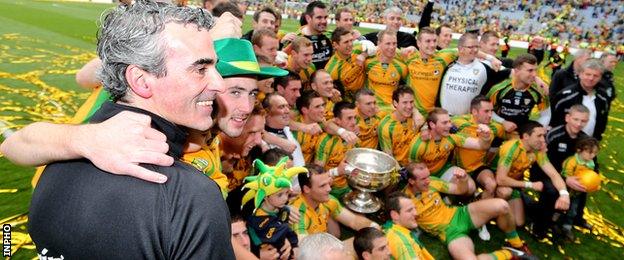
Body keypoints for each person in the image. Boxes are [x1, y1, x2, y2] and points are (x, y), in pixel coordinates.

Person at [27, 2, 234, 258]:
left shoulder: (56, 159)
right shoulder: (191, 196)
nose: (220, 84)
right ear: (140, 80)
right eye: (201, 69)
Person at [403, 162, 536, 260]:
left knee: (502, 205)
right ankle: (509, 254)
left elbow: (460, 190)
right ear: (411, 181)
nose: (428, 181)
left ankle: (516, 245)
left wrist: (464, 179)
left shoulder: (433, 182)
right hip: (450, 233)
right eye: (423, 179)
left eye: (428, 176)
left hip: (460, 214)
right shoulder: (404, 200)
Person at [494, 121, 570, 227]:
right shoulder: (512, 148)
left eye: (543, 135)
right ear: (525, 136)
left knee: (519, 222)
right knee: (505, 192)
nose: (543, 140)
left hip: (512, 184)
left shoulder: (537, 151)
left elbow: (554, 174)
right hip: (495, 181)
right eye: (539, 136)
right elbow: (500, 179)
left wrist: (564, 194)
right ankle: (487, 206)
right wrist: (530, 185)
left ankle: (500, 205)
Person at [530, 105, 590, 238]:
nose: (579, 124)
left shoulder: (585, 140)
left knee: (582, 188)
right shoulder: (554, 134)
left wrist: (588, 178)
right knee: (552, 190)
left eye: (583, 121)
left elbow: (592, 164)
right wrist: (566, 178)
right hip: (543, 172)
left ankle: (564, 221)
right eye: (576, 119)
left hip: (568, 176)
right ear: (567, 118)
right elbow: (545, 162)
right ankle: (539, 226)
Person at [408, 107, 493, 196]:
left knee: (470, 187)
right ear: (432, 125)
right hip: (424, 176)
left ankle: (449, 200)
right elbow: (412, 172)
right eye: (444, 123)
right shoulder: (418, 145)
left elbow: (481, 146)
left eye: (449, 121)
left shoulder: (451, 137)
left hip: (443, 169)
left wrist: (485, 137)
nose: (449, 126)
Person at [289, 164, 379, 238]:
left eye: (328, 183)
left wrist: (374, 226)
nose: (329, 189)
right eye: (322, 186)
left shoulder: (328, 199)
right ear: (306, 189)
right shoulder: (297, 213)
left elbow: (353, 221)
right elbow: (304, 250)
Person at [242, 158, 307, 258]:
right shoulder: (255, 220)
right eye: (280, 195)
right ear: (266, 197)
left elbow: (288, 231)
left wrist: (294, 245)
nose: (285, 198)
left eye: (287, 193)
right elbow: (256, 244)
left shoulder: (283, 210)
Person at [439, 33, 511, 116]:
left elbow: (512, 73)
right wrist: (490, 58)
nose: (475, 50)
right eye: (470, 47)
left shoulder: (486, 66)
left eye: (477, 47)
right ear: (461, 49)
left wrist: (491, 59)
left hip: (469, 121)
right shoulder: (447, 63)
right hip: (443, 119)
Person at [452, 96, 507, 200]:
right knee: (464, 192)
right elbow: (437, 124)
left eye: (491, 111)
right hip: (457, 167)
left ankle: (481, 208)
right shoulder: (459, 121)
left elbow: (512, 137)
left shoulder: (496, 127)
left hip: (479, 167)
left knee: (491, 185)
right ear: (474, 111)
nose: (490, 115)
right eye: (486, 111)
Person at [487, 54, 550, 131]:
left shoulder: (539, 90)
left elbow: (546, 115)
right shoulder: (499, 88)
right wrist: (503, 122)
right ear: (516, 71)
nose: (534, 74)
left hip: (522, 132)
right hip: (498, 127)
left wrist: (533, 131)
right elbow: (487, 110)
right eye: (530, 70)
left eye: (535, 70)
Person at [403, 27, 458, 114]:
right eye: (428, 41)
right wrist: (410, 48)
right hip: (412, 110)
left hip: (432, 113)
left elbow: (466, 48)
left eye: (434, 41)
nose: (432, 45)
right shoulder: (409, 56)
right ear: (418, 43)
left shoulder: (443, 57)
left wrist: (487, 57)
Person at [550, 59, 609, 140]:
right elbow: (554, 119)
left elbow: (603, 119)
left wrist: (597, 139)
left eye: (595, 76)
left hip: (589, 144)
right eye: (588, 74)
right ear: (580, 74)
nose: (591, 78)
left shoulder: (603, 96)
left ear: (600, 78)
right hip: (565, 142)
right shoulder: (565, 95)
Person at [559, 137, 600, 241]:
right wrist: (570, 179)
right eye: (589, 152)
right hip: (566, 190)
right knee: (560, 207)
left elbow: (591, 177)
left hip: (578, 192)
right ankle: (554, 220)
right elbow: (564, 173)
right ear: (579, 150)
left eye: (595, 153)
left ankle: (566, 227)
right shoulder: (572, 161)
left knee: (573, 210)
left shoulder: (591, 163)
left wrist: (593, 184)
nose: (592, 155)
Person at [314, 101, 358, 198]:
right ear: (337, 120)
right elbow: (316, 175)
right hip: (329, 191)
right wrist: (337, 171)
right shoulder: (326, 140)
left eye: (355, 118)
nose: (354, 122)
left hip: (347, 187)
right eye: (349, 118)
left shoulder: (353, 136)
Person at [363, 29, 408, 113]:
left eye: (394, 43)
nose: (392, 47)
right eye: (388, 43)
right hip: (371, 109)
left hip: (391, 111)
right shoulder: (368, 63)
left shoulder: (401, 67)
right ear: (379, 44)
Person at [378, 87, 422, 166]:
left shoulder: (416, 117)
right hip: (400, 167)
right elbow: (388, 156)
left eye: (411, 102)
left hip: (418, 163)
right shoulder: (386, 126)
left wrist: (416, 112)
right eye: (404, 102)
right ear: (395, 103)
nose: (409, 106)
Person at [383, 192, 434, 260]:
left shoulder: (389, 229)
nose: (416, 213)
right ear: (395, 215)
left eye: (414, 208)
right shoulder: (401, 241)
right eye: (409, 210)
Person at [262, 93, 306, 167]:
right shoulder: (261, 142)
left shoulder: (290, 132)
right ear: (266, 112)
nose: (287, 111)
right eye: (281, 107)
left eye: (288, 106)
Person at [325, 27, 366, 98]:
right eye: (346, 42)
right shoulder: (331, 70)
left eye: (351, 40)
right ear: (335, 45)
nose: (350, 44)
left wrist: (364, 54)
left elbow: (372, 48)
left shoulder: (358, 49)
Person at [292, 90, 326, 163]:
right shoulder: (293, 130)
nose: (323, 110)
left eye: (323, 105)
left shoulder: (322, 124)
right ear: (305, 110)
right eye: (317, 107)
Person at [298, 1, 333, 69]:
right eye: (319, 17)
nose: (324, 21)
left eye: (325, 17)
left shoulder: (330, 37)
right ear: (308, 18)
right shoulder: (296, 39)